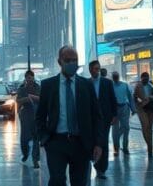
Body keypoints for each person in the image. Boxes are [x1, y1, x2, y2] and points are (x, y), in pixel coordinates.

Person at [36, 46, 106, 186]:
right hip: (56, 142)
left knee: (79, 182)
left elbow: (97, 116)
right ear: (59, 62)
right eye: (68, 60)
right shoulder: (48, 85)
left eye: (75, 60)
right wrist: (44, 139)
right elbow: (40, 116)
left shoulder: (86, 85)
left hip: (81, 143)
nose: (72, 63)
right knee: (57, 180)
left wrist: (98, 143)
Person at [87, 60, 117, 179]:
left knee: (103, 141)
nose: (97, 71)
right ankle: (95, 163)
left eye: (98, 69)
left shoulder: (107, 83)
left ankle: (102, 169)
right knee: (94, 141)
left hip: (105, 117)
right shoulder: (86, 83)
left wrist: (114, 115)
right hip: (91, 118)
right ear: (90, 70)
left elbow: (112, 98)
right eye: (95, 69)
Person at [16, 70, 41, 168]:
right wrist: (26, 99)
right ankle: (25, 154)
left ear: (33, 77)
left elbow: (41, 98)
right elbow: (18, 100)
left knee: (36, 138)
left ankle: (35, 159)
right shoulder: (22, 89)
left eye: (31, 77)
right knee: (24, 138)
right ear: (25, 78)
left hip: (36, 114)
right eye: (28, 78)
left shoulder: (38, 87)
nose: (29, 79)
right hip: (25, 115)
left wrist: (32, 97)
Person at [133, 72, 153, 157]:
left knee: (149, 128)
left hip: (150, 108)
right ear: (141, 78)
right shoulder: (137, 86)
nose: (146, 80)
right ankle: (149, 144)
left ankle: (150, 146)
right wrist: (139, 103)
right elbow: (134, 97)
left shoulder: (151, 86)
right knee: (145, 125)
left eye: (147, 78)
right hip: (141, 108)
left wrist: (150, 98)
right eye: (144, 78)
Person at [110, 71, 133, 155]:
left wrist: (133, 108)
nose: (115, 78)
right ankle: (116, 149)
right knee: (115, 129)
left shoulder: (125, 85)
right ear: (112, 77)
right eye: (114, 76)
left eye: (116, 76)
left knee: (126, 127)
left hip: (124, 107)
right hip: (114, 109)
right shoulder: (110, 86)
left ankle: (125, 147)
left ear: (118, 77)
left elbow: (130, 97)